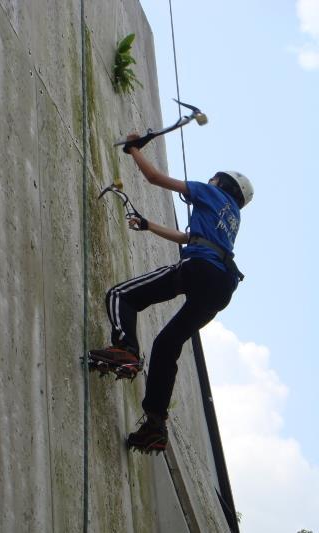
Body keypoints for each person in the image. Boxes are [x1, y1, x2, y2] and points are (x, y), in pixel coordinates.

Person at [89, 134, 254, 454]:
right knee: (167, 345)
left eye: (215, 177)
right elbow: (188, 236)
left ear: (222, 183)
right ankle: (155, 424)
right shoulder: (233, 217)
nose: (210, 179)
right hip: (221, 287)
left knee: (121, 295)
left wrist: (134, 149)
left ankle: (126, 349)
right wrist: (148, 225)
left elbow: (154, 178)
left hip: (200, 270)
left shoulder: (211, 193)